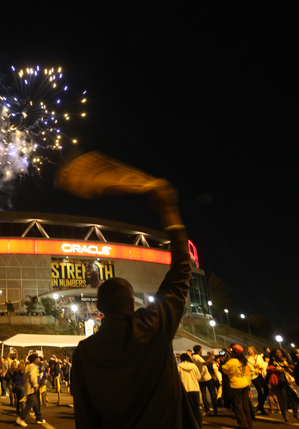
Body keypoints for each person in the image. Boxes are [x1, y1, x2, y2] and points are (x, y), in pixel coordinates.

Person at [70, 177, 196, 428]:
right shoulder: (152, 325)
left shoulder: (85, 352)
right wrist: (169, 211)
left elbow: (84, 415)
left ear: (99, 308)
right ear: (132, 303)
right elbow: (182, 270)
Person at [266, 348, 299, 425]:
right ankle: (286, 418)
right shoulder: (272, 361)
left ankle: (295, 414)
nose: (278, 354)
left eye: (279, 352)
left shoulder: (286, 361)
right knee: (282, 401)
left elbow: (294, 368)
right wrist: (275, 370)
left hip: (287, 382)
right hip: (277, 383)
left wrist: (289, 368)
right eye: (276, 352)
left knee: (295, 400)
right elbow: (268, 371)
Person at [222, 344, 253, 429]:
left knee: (238, 407)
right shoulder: (243, 360)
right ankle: (249, 424)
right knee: (245, 406)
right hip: (244, 383)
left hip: (236, 385)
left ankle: (243, 425)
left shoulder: (231, 362)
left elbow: (224, 370)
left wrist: (223, 360)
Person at [16, 354, 43, 427]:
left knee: (36, 404)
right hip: (32, 389)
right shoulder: (34, 367)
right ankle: (22, 419)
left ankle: (39, 418)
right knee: (29, 404)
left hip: (27, 388)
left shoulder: (27, 367)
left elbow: (25, 378)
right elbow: (33, 378)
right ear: (34, 360)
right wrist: (36, 386)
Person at [177, 354, 202, 427]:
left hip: (185, 390)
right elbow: (199, 377)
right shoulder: (194, 366)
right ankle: (199, 423)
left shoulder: (179, 367)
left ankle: (189, 424)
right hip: (195, 389)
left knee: (187, 408)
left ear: (181, 359)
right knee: (196, 407)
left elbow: (177, 378)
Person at [191, 346, 217, 416]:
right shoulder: (197, 357)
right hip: (206, 377)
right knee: (212, 393)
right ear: (199, 351)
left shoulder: (192, 357)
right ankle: (215, 409)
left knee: (204, 394)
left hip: (200, 378)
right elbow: (205, 363)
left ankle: (207, 409)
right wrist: (211, 356)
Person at [247, 345, 270, 415]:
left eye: (250, 349)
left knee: (266, 389)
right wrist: (254, 367)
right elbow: (248, 367)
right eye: (248, 350)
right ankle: (261, 408)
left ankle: (260, 406)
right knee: (259, 390)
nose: (248, 351)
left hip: (261, 374)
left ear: (253, 350)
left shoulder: (259, 357)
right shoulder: (247, 358)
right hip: (254, 375)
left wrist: (260, 367)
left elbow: (263, 364)